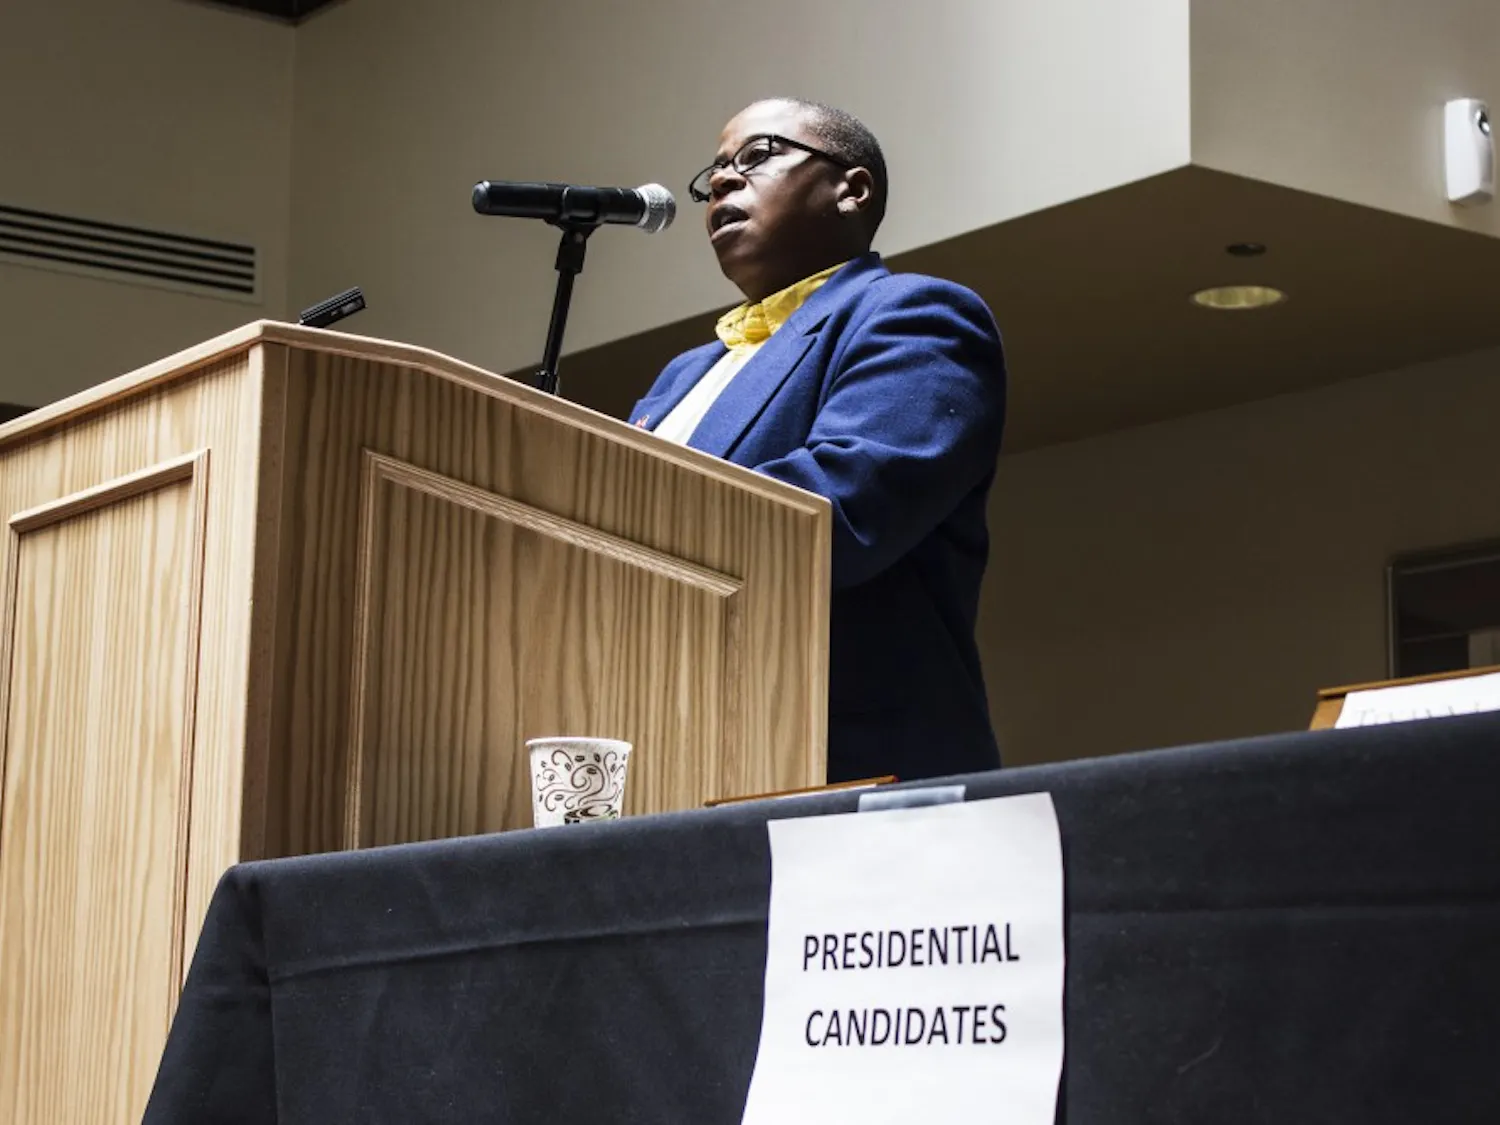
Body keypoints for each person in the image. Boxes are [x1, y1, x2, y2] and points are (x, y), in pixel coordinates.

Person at [629, 97, 1007, 783]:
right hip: (670, 760)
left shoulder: (913, 314)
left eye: (756, 156)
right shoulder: (681, 376)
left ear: (851, 189)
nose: (720, 182)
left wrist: (623, 527)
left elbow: (838, 510)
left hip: (845, 769)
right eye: (713, 172)